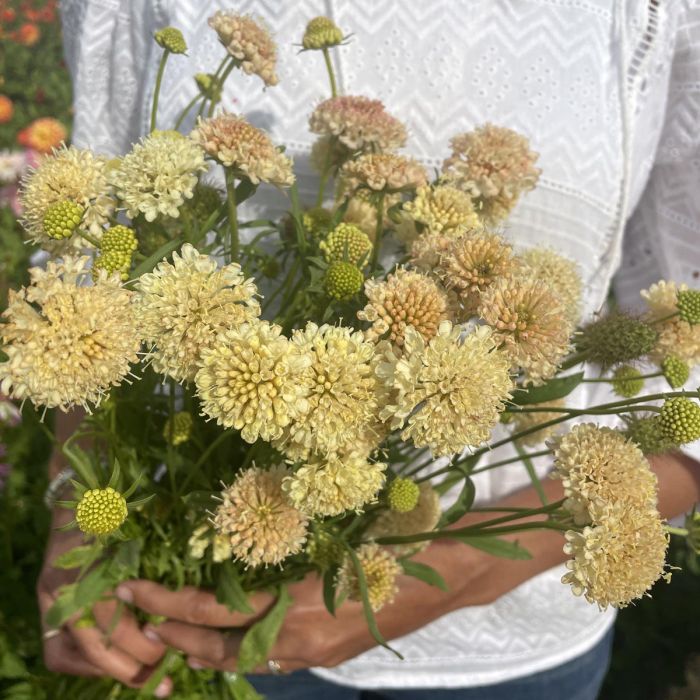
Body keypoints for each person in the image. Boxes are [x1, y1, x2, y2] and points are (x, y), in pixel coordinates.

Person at [38, 1, 700, 698]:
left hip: (509, 653)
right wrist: (74, 506)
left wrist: (459, 569)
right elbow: (91, 269)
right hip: (175, 594)